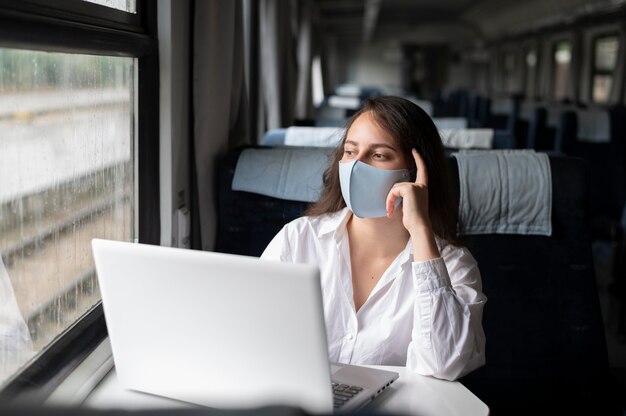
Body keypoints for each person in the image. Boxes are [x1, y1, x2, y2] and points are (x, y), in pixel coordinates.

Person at [261, 96, 486, 381]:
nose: (356, 167)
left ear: (415, 172)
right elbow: (255, 335)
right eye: (350, 152)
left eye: (379, 155)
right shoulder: (299, 239)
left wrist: (420, 229)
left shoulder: (454, 265)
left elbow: (445, 364)